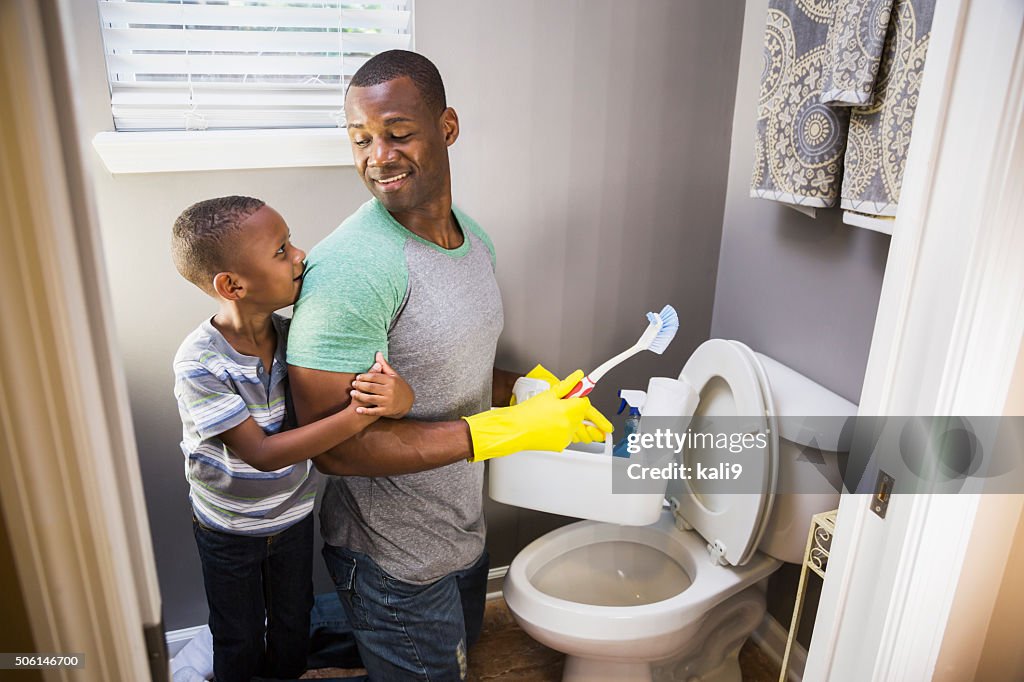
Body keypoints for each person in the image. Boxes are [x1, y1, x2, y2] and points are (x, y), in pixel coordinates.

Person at [286, 50, 613, 680]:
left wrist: (528, 390)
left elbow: (456, 366)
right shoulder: (354, 268)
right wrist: (500, 431)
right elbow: (335, 449)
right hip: (392, 559)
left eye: (398, 133)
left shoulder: (473, 240)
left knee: (457, 659)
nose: (378, 156)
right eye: (361, 139)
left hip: (460, 531)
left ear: (448, 127)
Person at [170, 196, 415, 682]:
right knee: (237, 635)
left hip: (293, 516)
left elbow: (386, 394)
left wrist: (398, 396)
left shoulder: (297, 337)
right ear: (232, 285)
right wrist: (360, 415)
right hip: (229, 530)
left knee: (292, 624)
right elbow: (262, 454)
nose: (302, 255)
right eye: (282, 250)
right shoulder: (200, 363)